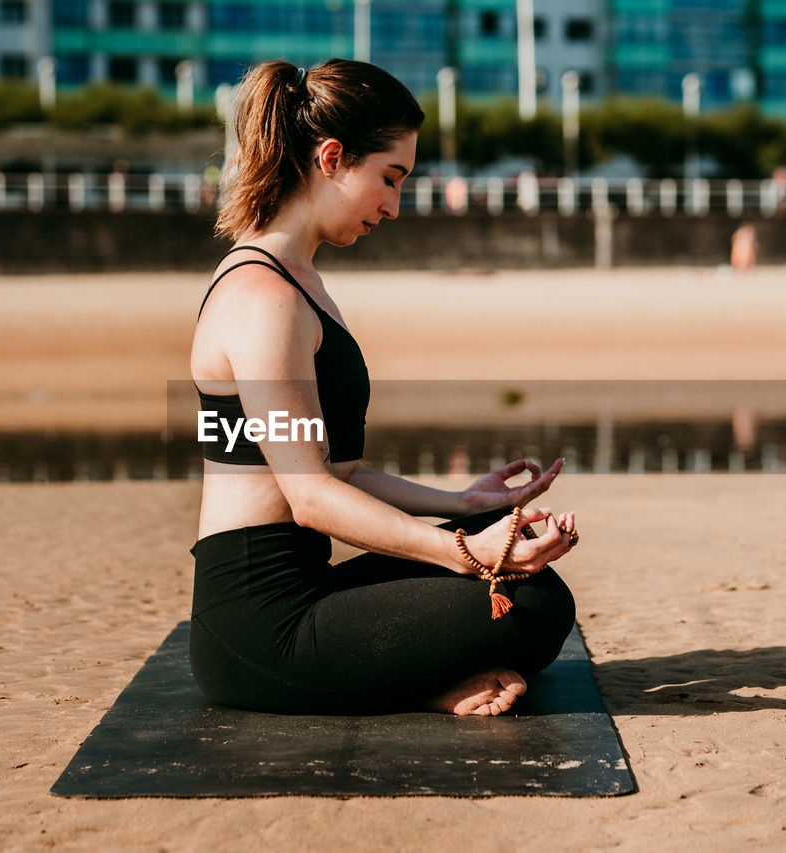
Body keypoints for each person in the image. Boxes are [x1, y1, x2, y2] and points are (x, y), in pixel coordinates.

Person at [189, 59, 578, 717]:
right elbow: (311, 497)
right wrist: (463, 553)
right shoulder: (262, 299)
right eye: (389, 179)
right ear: (333, 157)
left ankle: (414, 668)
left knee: (514, 560)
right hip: (259, 631)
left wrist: (460, 503)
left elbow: (334, 468)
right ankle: (427, 683)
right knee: (533, 602)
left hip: (304, 591)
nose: (394, 206)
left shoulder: (295, 280)